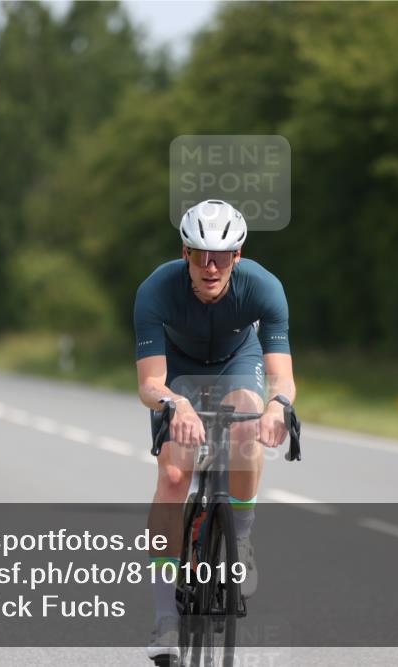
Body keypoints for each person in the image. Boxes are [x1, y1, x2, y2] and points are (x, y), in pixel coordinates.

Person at [134, 199, 296, 660]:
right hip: (177, 374)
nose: (210, 266)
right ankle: (166, 617)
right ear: (184, 251)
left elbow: (281, 374)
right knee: (171, 477)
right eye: (200, 253)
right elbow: (149, 383)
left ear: (237, 255)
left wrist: (279, 406)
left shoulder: (264, 288)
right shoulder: (156, 290)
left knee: (246, 428)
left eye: (221, 256)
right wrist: (176, 403)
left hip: (236, 366)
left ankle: (240, 536)